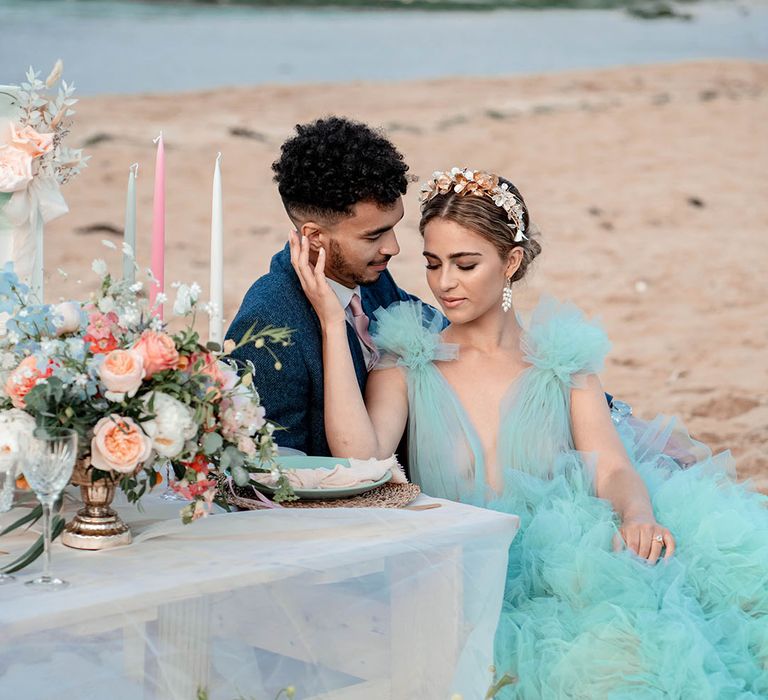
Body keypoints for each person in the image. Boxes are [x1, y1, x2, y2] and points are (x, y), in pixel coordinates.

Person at [289, 167, 768, 697]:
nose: (445, 283)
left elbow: (610, 465)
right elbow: (361, 457)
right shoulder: (409, 357)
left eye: (465, 264)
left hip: (565, 565)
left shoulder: (559, 362)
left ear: (511, 262)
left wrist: (637, 515)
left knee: (641, 653)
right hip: (459, 574)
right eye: (432, 263)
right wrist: (332, 324)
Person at [226, 117, 423, 455]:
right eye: (373, 235)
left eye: (393, 228)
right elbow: (274, 468)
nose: (393, 247)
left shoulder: (368, 274)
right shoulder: (267, 324)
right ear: (314, 237)